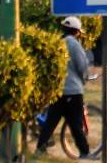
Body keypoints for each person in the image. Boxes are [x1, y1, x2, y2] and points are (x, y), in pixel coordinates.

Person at [36, 17, 92, 158]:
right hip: (73, 92)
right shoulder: (74, 44)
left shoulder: (57, 42)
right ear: (77, 31)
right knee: (75, 124)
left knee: (51, 122)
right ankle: (84, 152)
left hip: (58, 89)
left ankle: (40, 149)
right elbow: (82, 66)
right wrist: (85, 79)